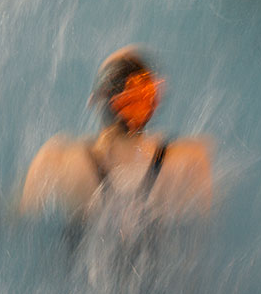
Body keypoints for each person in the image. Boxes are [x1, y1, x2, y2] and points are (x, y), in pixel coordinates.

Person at [19, 46, 213, 235]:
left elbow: (22, 220)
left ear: (93, 101)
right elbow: (205, 225)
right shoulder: (189, 159)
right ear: (152, 102)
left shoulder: (57, 161)